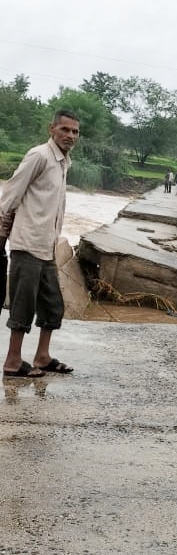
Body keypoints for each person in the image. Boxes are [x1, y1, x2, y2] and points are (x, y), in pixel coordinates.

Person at [0, 109, 80, 378]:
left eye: (75, 131)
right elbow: (10, 195)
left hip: (47, 246)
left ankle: (42, 356)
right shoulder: (39, 155)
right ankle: (12, 361)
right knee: (23, 305)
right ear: (51, 129)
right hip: (27, 243)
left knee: (53, 304)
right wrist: (1, 235)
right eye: (65, 130)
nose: (70, 135)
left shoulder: (63, 161)